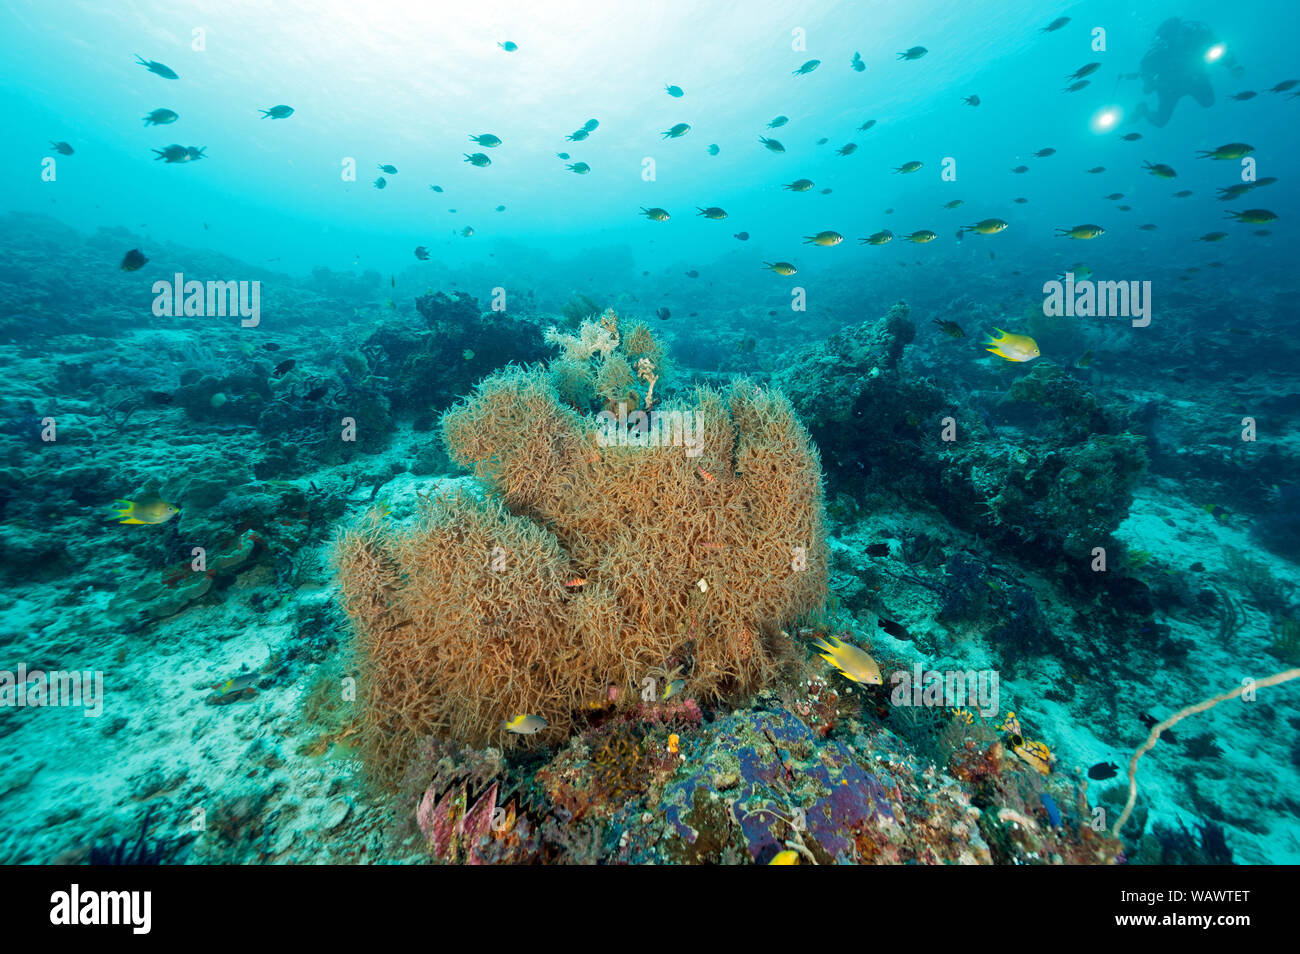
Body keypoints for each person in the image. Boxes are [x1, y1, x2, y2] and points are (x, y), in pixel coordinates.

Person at [1129, 18, 1238, 127]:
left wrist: (1231, 63)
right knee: (1160, 121)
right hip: (1169, 86)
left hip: (1194, 78)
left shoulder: (1197, 37)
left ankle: (1143, 111)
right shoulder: (1161, 49)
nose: (1179, 36)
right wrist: (1149, 83)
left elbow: (1219, 47)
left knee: (1208, 102)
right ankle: (1143, 110)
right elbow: (1144, 67)